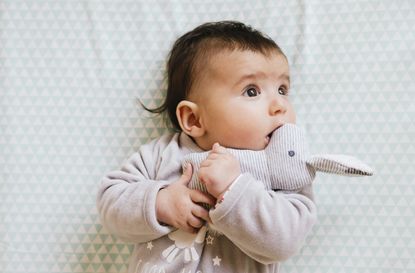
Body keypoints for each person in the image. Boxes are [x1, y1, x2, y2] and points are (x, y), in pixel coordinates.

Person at [97, 21, 317, 273]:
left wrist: (235, 190)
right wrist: (161, 202)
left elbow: (286, 242)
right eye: (252, 91)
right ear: (194, 119)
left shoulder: (284, 166)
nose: (280, 105)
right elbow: (110, 201)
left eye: (282, 89)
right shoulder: (161, 154)